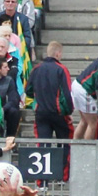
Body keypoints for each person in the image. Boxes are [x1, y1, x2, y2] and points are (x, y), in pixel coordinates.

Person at [25, 41, 74, 181]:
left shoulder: (36, 69)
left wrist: (37, 99)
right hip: (58, 113)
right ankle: (62, 178)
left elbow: (28, 90)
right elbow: (66, 93)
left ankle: (42, 182)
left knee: (42, 145)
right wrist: (68, 111)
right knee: (64, 143)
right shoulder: (61, 69)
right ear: (58, 53)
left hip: (40, 113)